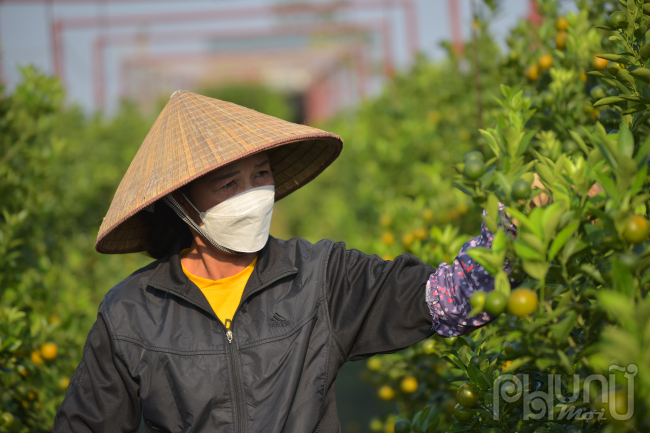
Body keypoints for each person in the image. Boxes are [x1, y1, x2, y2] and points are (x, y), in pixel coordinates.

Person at [52, 91, 516, 433]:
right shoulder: (132, 313)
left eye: (261, 176)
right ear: (181, 204)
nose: (253, 196)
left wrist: (515, 235)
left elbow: (439, 298)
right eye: (229, 184)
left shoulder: (319, 276)